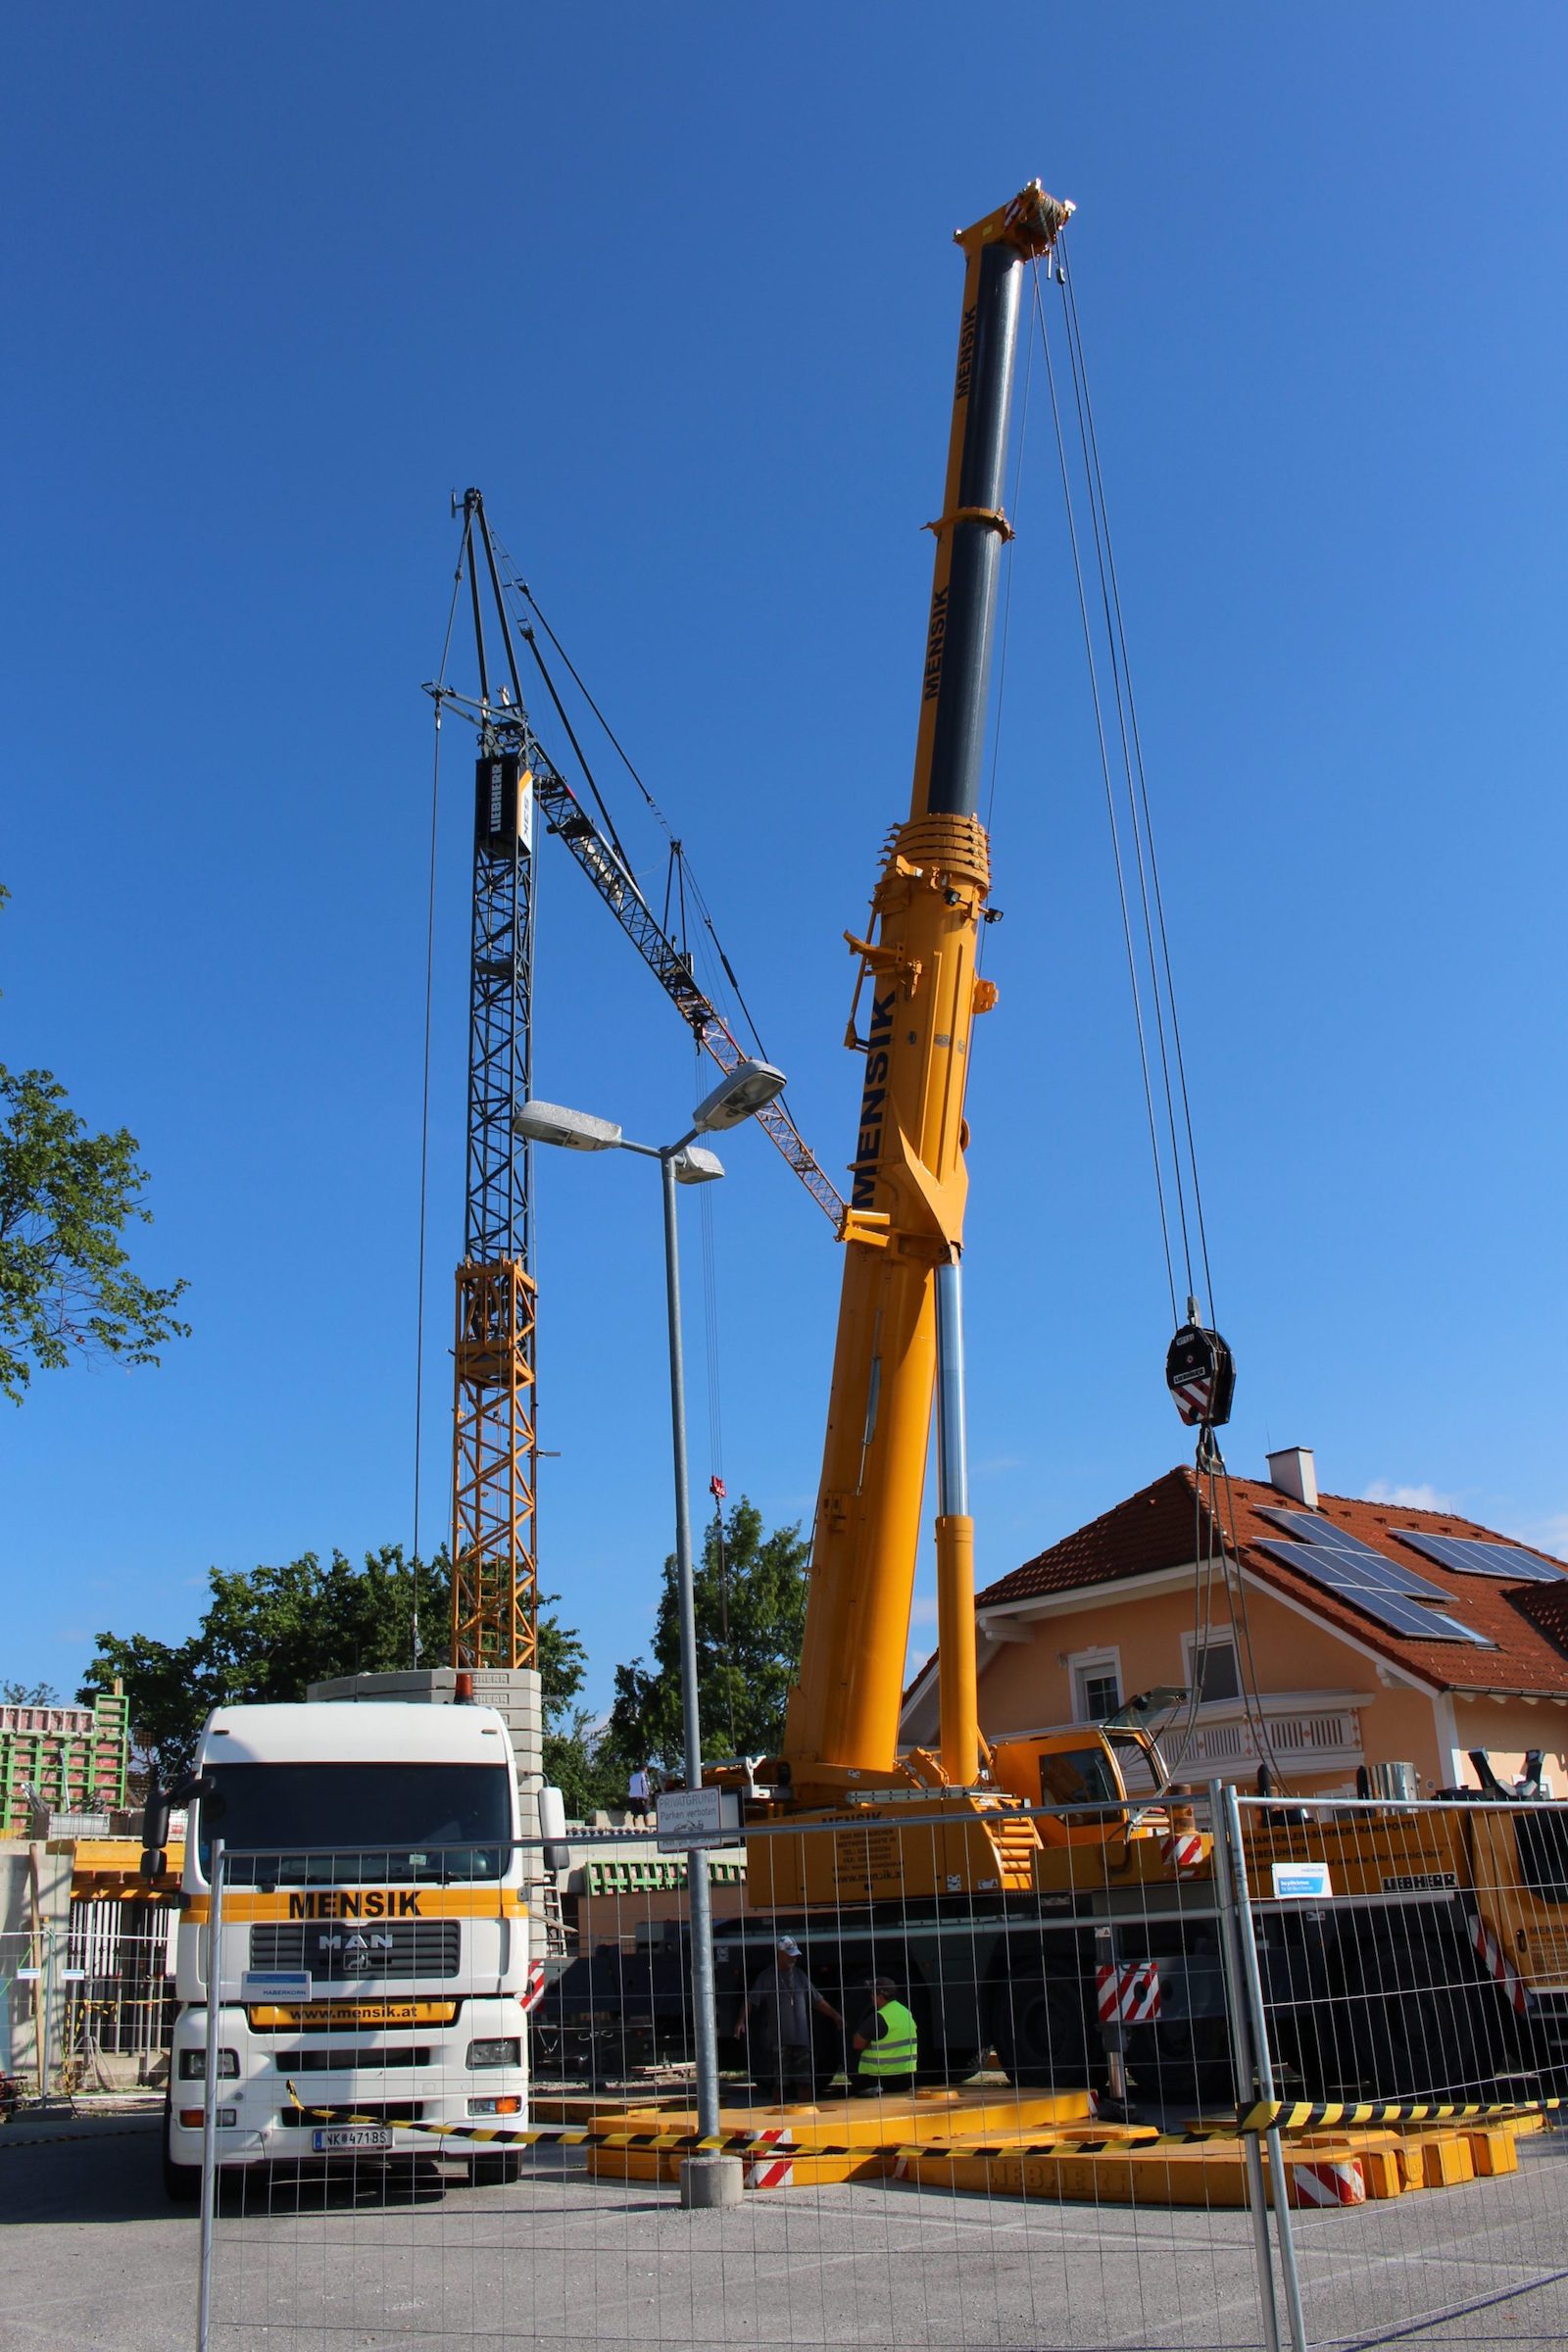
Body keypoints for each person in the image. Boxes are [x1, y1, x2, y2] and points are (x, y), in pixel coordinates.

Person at [734, 1936, 842, 2104]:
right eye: (790, 1954)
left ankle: (806, 2113)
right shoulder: (768, 1976)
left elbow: (817, 2000)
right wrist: (741, 2021)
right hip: (778, 2040)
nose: (794, 1958)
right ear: (780, 1953)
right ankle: (780, 2115)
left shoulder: (800, 1975)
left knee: (805, 2081)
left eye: (795, 1955)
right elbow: (751, 2000)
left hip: (801, 2040)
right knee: (779, 2083)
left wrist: (835, 2015)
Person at [852, 1977, 918, 2097]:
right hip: (906, 2078)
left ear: (880, 1997)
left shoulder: (879, 2018)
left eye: (872, 1994)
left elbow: (857, 2044)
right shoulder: (906, 2013)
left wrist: (869, 2043)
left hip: (880, 2079)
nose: (871, 1997)